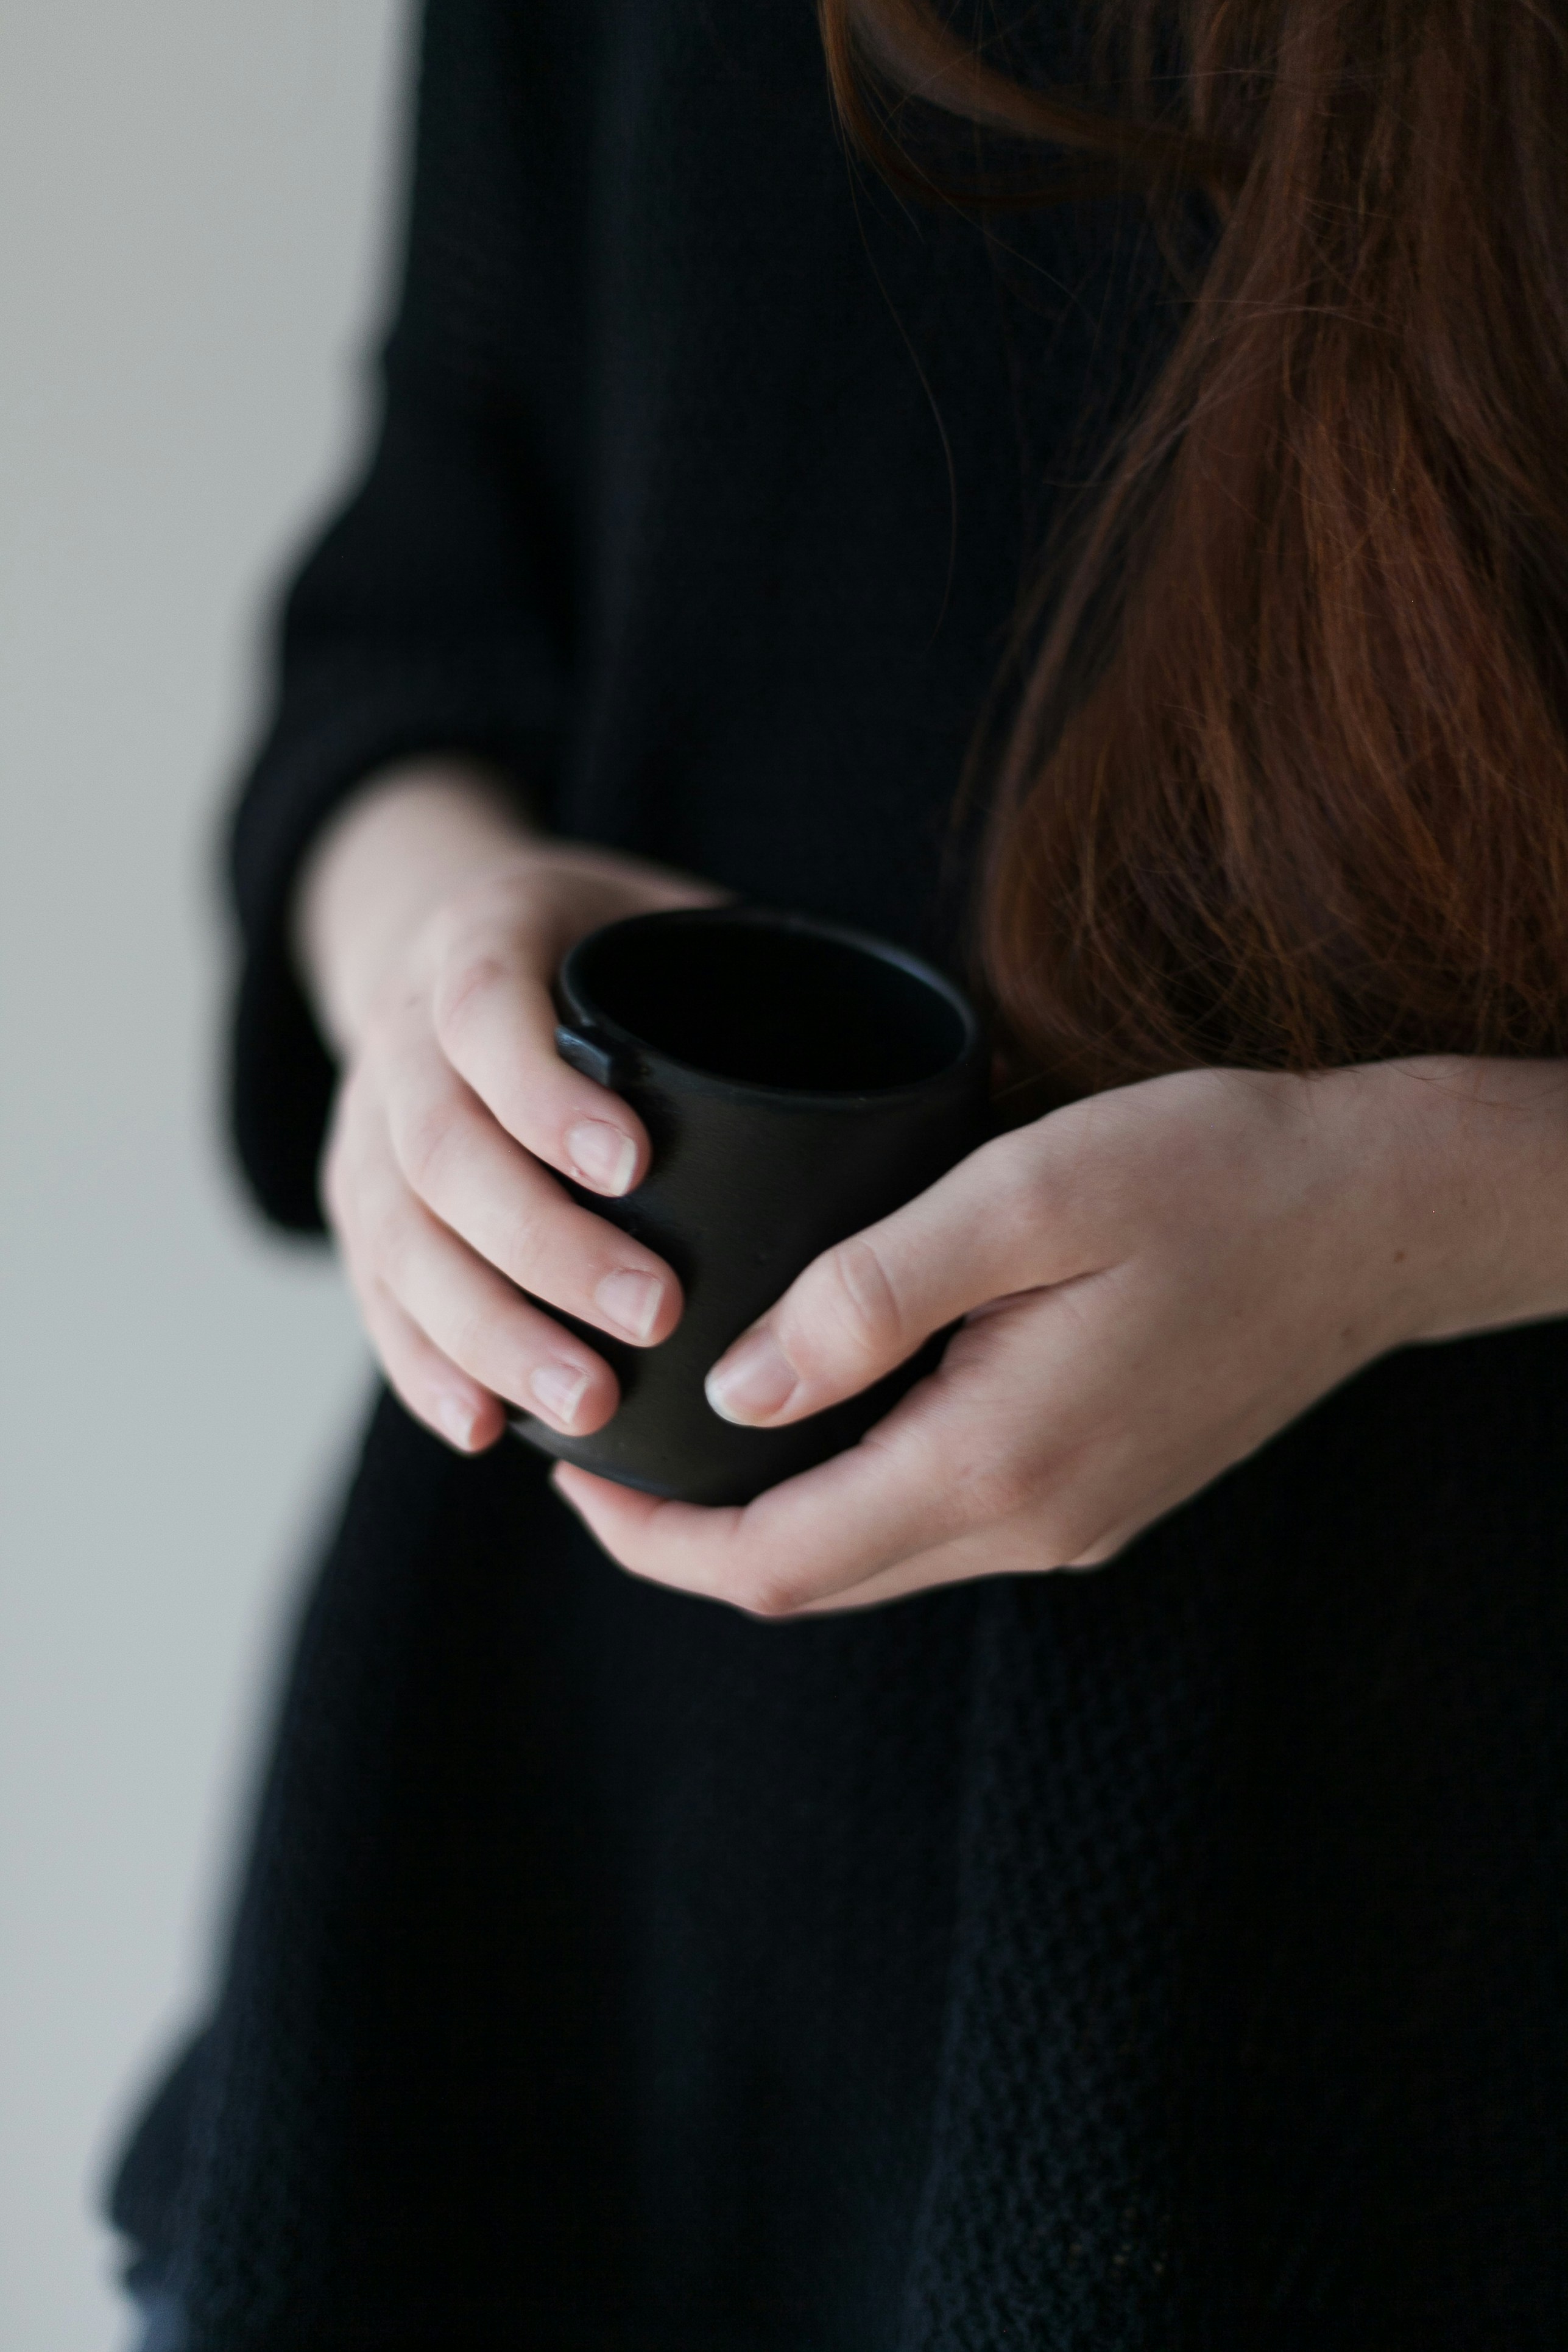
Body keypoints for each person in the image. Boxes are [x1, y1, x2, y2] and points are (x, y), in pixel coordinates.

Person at [110, 1, 1568, 2343]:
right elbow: (420, 614)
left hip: (1421, 1992)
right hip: (551, 1933)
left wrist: (1424, 1206)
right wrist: (430, 965)